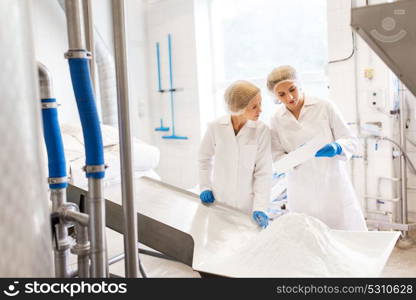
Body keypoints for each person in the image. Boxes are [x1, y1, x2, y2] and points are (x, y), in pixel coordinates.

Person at [267, 65, 367, 231]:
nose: (290, 97)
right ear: (275, 96)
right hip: (300, 187)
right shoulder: (276, 119)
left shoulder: (324, 106)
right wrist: (291, 159)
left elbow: (351, 140)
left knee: (343, 233)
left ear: (299, 84)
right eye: (282, 94)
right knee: (308, 236)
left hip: (331, 183)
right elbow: (277, 156)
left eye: (292, 89)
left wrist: (337, 146)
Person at [198, 80, 272, 228]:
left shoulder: (261, 130)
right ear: (239, 108)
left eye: (260, 103)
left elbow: (263, 172)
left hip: (248, 206)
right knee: (217, 243)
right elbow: (203, 159)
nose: (260, 110)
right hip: (219, 201)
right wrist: (205, 187)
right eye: (254, 106)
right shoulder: (216, 127)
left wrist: (260, 207)